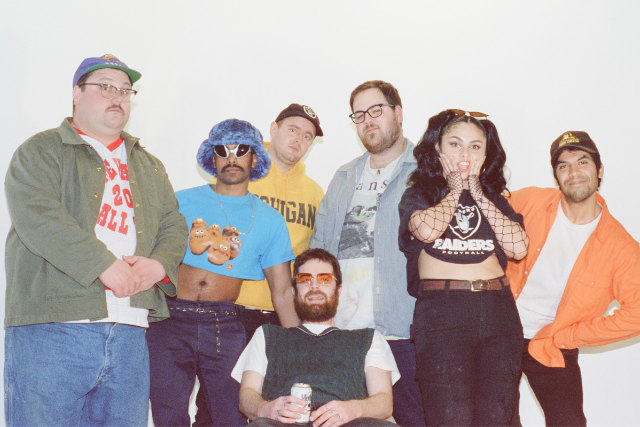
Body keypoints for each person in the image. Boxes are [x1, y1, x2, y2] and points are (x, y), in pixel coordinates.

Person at [4, 54, 187, 426]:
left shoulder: (150, 165)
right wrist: (104, 265)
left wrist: (157, 266)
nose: (117, 96)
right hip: (55, 325)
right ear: (76, 94)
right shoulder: (41, 150)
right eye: (105, 87)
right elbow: (38, 215)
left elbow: (174, 224)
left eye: (125, 90)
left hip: (131, 330)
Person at [146, 118, 297, 427]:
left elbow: (282, 290)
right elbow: (148, 255)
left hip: (224, 324)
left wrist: (301, 344)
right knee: (168, 416)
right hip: (170, 318)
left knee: (231, 418)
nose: (231, 158)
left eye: (241, 150)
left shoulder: (269, 220)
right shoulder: (180, 201)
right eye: (222, 150)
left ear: (254, 158)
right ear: (212, 158)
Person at [194, 104, 324, 426]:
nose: (299, 140)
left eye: (307, 136)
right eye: (293, 129)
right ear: (274, 128)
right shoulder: (242, 174)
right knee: (218, 409)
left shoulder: (314, 192)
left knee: (276, 409)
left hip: (282, 316)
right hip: (231, 312)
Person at [398, 109, 529, 426]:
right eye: (455, 144)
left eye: (475, 146)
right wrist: (456, 189)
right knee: (449, 417)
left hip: (497, 311)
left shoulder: (495, 199)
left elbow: (519, 247)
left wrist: (479, 193)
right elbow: (426, 230)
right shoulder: (419, 194)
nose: (465, 154)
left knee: (497, 416)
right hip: (443, 312)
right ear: (438, 149)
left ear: (486, 154)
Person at [506, 131, 640, 426]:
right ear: (556, 175)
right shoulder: (529, 201)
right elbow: (483, 212)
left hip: (551, 343)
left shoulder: (620, 247)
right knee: (496, 419)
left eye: (582, 162)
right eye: (563, 165)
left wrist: (570, 336)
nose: (574, 172)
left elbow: (637, 314)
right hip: (500, 331)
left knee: (569, 422)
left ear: (599, 170)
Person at [310, 80, 424, 426]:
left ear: (398, 113)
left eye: (376, 110)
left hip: (404, 330)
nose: (367, 120)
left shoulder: (426, 171)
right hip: (345, 334)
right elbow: (320, 248)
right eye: (359, 115)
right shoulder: (344, 176)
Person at [233, 248, 399, 427]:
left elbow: (384, 403)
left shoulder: (368, 339)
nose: (314, 286)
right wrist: (264, 409)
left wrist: (354, 409)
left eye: (324, 279)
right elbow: (246, 396)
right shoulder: (268, 336)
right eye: (305, 279)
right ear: (294, 290)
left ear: (338, 290)